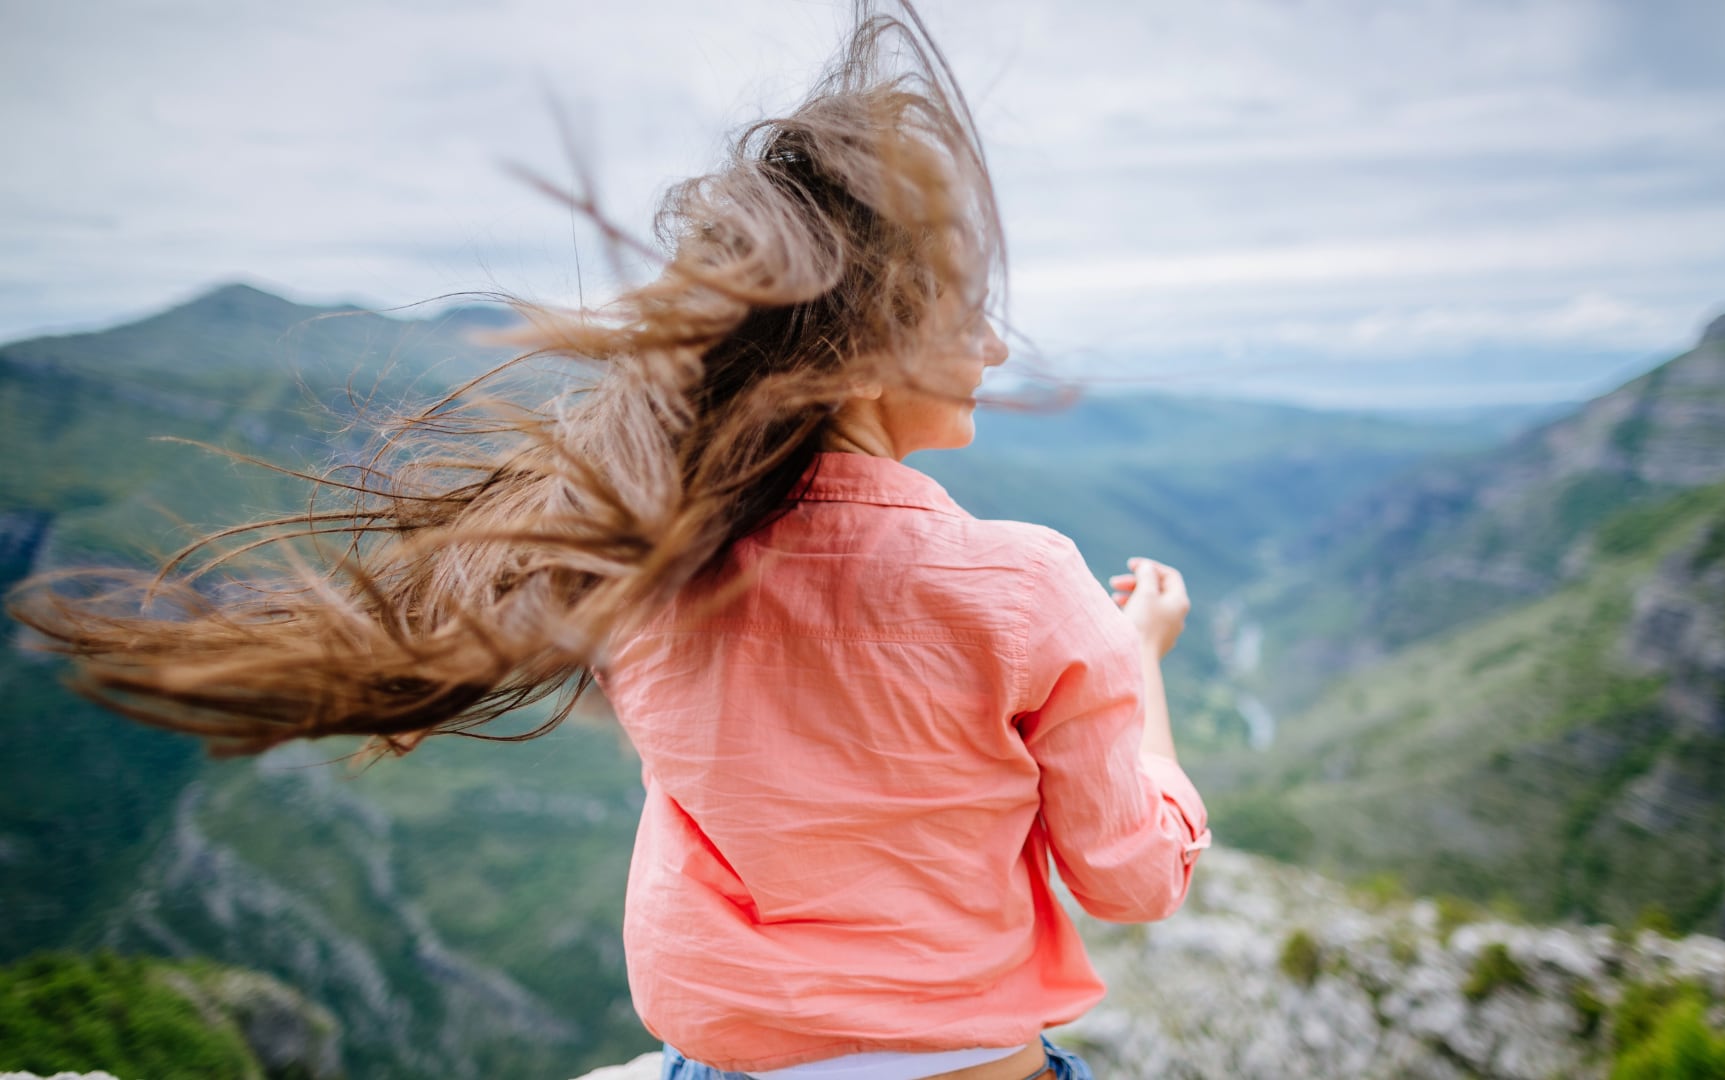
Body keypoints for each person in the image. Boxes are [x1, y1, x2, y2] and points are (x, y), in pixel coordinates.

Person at [9, 3, 1209, 1078]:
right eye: (970, 309)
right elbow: (1135, 878)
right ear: (873, 339)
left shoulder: (645, 566)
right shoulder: (1027, 585)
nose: (996, 348)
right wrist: (1132, 659)